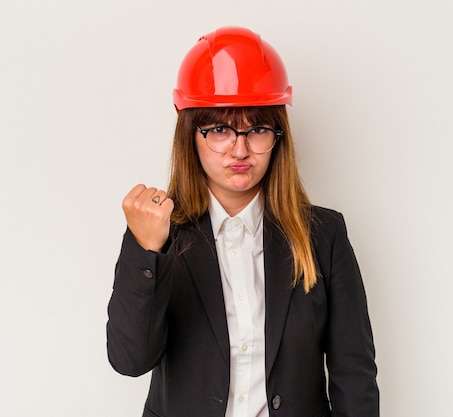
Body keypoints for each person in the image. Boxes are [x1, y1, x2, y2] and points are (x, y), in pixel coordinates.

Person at [106, 26, 379, 417]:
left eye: (257, 129)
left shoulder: (324, 236)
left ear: (277, 136)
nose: (240, 148)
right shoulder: (162, 234)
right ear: (191, 134)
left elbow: (354, 375)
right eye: (220, 129)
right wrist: (145, 251)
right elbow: (129, 360)